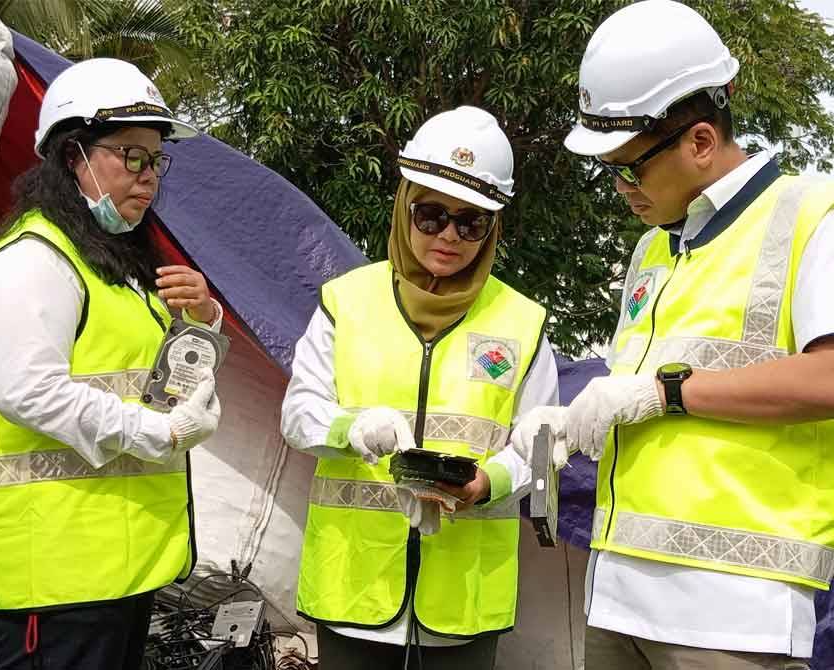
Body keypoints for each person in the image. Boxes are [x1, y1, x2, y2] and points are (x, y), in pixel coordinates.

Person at [514, 2, 834, 668]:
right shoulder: (653, 250)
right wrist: (573, 419)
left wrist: (665, 394)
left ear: (699, 141)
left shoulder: (813, 216)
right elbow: (631, 390)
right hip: (616, 600)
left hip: (734, 615)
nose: (620, 187)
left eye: (630, 167)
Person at [0, 58, 224, 670]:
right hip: (51, 576)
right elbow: (27, 390)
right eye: (130, 155)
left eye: (156, 159)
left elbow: (144, 376)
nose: (148, 175)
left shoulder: (111, 266)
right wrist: (157, 431)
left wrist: (201, 325)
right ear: (73, 154)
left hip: (115, 568)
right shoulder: (31, 260)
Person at [281, 106, 560, 669]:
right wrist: (353, 427)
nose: (449, 236)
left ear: (491, 229)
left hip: (464, 600)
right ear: (404, 207)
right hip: (352, 588)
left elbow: (545, 441)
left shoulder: (522, 322)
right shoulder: (345, 303)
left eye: (471, 222)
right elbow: (297, 414)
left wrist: (490, 481)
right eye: (430, 215)